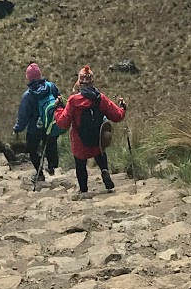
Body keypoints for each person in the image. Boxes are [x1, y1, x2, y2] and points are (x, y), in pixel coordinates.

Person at [55, 66, 126, 196]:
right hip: (97, 138)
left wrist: (58, 108)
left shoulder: (73, 101)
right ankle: (104, 170)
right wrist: (122, 108)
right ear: (92, 82)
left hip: (80, 141)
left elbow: (63, 123)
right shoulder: (100, 98)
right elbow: (117, 116)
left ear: (80, 83)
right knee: (100, 153)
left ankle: (84, 191)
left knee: (80, 164)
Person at [13, 62, 61, 185]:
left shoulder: (28, 95)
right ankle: (52, 166)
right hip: (50, 123)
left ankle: (39, 174)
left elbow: (23, 116)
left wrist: (17, 129)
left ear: (28, 78)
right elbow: (59, 100)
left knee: (32, 149)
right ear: (40, 75)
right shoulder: (51, 86)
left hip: (35, 128)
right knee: (50, 144)